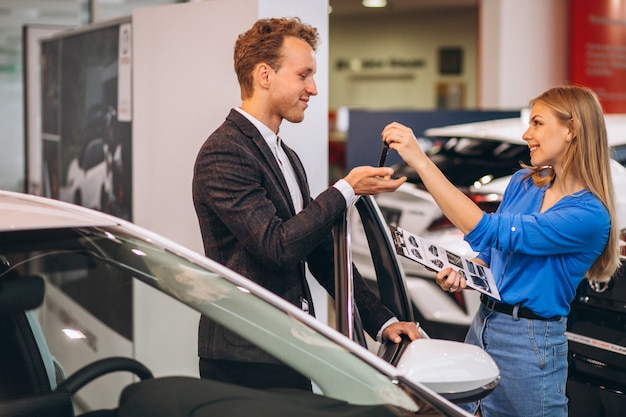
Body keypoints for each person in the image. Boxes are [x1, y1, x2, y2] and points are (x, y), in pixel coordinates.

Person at [192, 17, 420, 391]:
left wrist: (380, 321)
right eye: (303, 75)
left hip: (289, 345)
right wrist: (346, 189)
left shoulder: (286, 155)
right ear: (264, 75)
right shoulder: (224, 152)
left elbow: (316, 250)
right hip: (245, 356)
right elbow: (276, 246)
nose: (313, 88)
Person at [381, 85, 621, 417]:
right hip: (484, 324)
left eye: (537, 123)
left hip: (530, 342)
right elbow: (493, 252)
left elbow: (486, 229)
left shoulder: (588, 215)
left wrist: (421, 161)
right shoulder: (524, 183)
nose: (527, 134)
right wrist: (469, 271)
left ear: (571, 129)